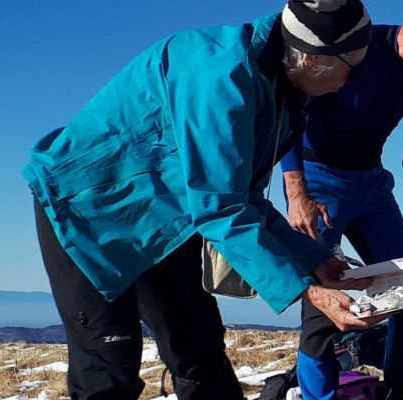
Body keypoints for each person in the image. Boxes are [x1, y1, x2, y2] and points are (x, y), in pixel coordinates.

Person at [21, 1, 382, 398]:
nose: (353, 81)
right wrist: (306, 290)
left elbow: (239, 197)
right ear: (314, 58)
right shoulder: (221, 76)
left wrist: (314, 260)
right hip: (87, 212)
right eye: (355, 67)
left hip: (171, 217)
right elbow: (220, 207)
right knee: (108, 369)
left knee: (199, 347)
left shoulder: (279, 85)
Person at [276, 1, 403, 398]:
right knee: (323, 302)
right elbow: (288, 110)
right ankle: (320, 396)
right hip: (318, 178)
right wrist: (295, 188)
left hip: (371, 184)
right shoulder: (359, 48)